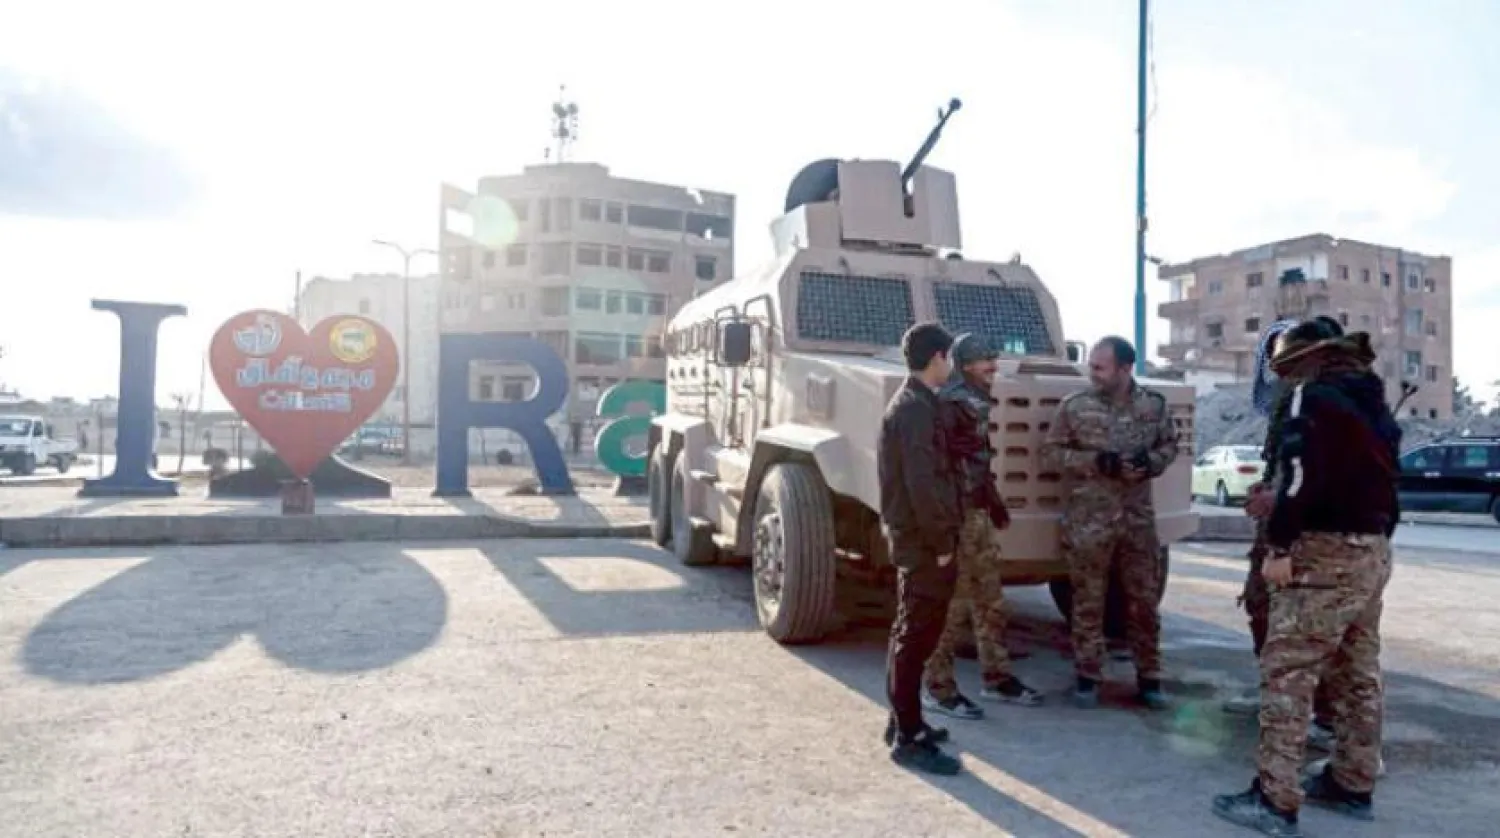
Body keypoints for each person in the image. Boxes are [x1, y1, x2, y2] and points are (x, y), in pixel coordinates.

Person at [1212, 322, 1401, 835]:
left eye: (1285, 365)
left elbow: (1297, 481)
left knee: (1288, 672)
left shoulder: (1309, 400)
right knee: (1358, 671)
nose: (1282, 375)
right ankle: (1353, 783)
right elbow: (1365, 482)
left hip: (1320, 552)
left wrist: (1277, 544)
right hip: (1373, 550)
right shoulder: (1371, 402)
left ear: (1304, 360)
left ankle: (1275, 800)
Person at [1042, 336, 1179, 710]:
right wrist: (1094, 462)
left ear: (1124, 368)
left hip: (1137, 521)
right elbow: (1050, 453)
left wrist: (1149, 462)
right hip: (1090, 521)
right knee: (1087, 601)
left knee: (1144, 602)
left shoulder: (1153, 405)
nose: (1093, 373)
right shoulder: (1075, 406)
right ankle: (1088, 677)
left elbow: (1169, 445)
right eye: (1092, 366)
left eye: (1101, 367)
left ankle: (1149, 678)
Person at [1228, 318, 1341, 746]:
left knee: (1313, 630)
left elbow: (1322, 475)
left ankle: (1324, 715)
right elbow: (1286, 464)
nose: (1278, 368)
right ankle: (1275, 695)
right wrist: (1267, 489)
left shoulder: (1326, 403)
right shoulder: (1287, 403)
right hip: (1276, 526)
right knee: (1261, 607)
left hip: (1310, 534)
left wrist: (1278, 500)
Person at [921, 333, 1043, 720]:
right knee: (951, 606)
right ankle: (936, 687)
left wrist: (991, 500)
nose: (993, 367)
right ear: (965, 364)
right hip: (957, 517)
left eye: (993, 359)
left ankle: (997, 677)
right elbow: (939, 468)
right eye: (985, 361)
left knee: (990, 600)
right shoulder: (952, 403)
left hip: (976, 514)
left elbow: (975, 460)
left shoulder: (973, 401)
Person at [878, 321, 965, 775]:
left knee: (913, 633)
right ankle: (908, 737)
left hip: (921, 539)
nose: (950, 364)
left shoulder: (919, 403)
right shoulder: (913, 409)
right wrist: (941, 543)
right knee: (916, 637)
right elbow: (921, 484)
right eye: (948, 356)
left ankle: (904, 721)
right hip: (924, 543)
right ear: (938, 358)